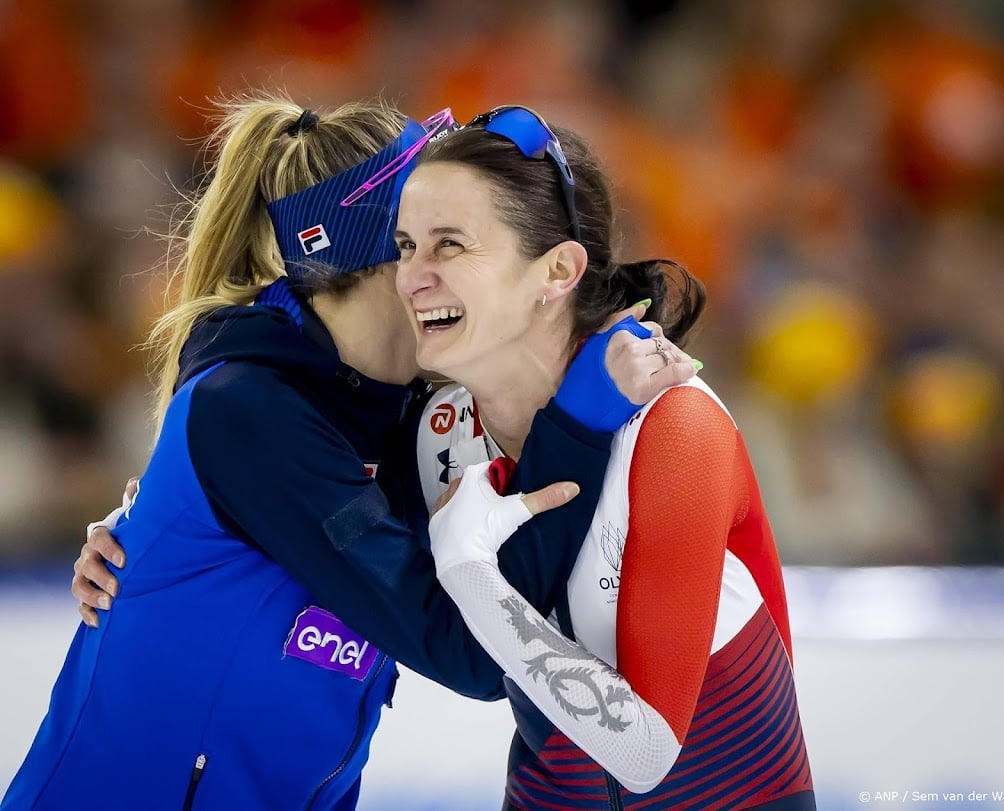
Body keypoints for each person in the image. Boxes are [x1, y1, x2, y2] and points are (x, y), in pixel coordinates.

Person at [4, 94, 694, 811]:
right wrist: (579, 422)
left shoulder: (395, 404)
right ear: (383, 260)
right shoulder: (252, 413)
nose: (450, 267)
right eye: (430, 241)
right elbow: (476, 650)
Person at [334, 106, 817, 809]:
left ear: (557, 269)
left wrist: (471, 572)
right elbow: (305, 529)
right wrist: (133, 533)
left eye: (449, 245)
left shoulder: (675, 426)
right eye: (406, 246)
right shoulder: (436, 433)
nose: (410, 278)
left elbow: (646, 751)